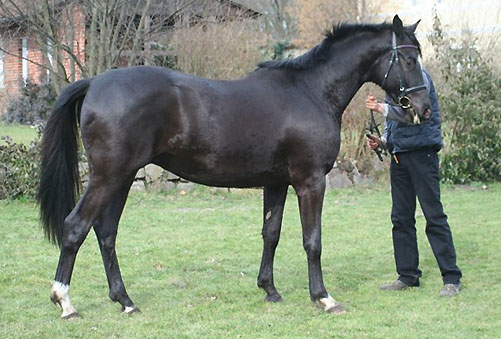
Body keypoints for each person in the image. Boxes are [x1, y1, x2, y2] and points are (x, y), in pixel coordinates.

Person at [366, 69, 462, 297]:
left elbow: (420, 112)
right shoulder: (393, 84)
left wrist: (382, 108)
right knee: (400, 218)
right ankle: (408, 276)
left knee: (434, 215)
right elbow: (394, 124)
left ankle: (451, 278)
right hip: (399, 157)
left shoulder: (420, 78)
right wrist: (383, 142)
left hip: (422, 155)